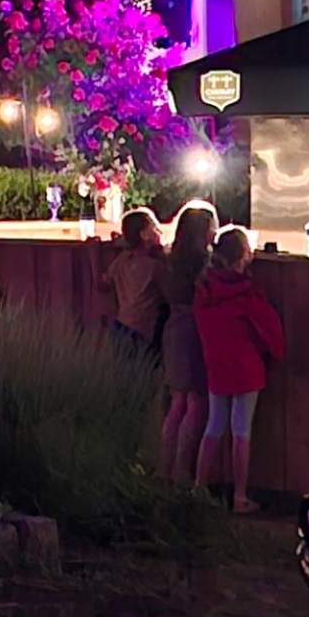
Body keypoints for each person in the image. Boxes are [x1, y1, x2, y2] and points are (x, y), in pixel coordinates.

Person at [191, 222, 287, 513]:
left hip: (216, 365)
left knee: (214, 426)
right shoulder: (247, 294)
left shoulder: (204, 291)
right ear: (243, 255)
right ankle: (240, 496)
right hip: (246, 369)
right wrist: (276, 355)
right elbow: (272, 332)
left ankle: (198, 488)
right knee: (241, 431)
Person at [153, 201, 218, 478]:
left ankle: (163, 468)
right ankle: (181, 472)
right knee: (196, 403)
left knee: (177, 402)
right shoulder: (204, 264)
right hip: (195, 330)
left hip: (173, 329)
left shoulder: (168, 261)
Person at [107, 206, 168, 353]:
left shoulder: (122, 260)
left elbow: (105, 281)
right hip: (144, 331)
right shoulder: (154, 267)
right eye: (154, 227)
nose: (159, 231)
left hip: (121, 326)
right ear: (144, 234)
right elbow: (171, 295)